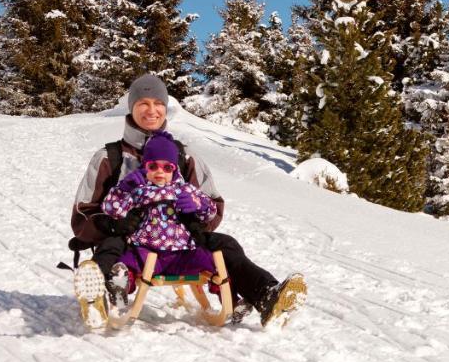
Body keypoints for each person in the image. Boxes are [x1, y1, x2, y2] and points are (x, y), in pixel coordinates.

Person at [71, 73, 305, 325]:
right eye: (143, 104)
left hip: (180, 245)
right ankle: (99, 296)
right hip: (131, 241)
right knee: (113, 246)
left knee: (226, 246)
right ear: (131, 107)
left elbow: (213, 205)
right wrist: (113, 224)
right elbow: (83, 214)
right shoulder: (109, 157)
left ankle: (266, 295)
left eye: (158, 103)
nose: (152, 110)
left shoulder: (186, 156)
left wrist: (197, 214)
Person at [101, 130, 218, 281]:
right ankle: (122, 284)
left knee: (209, 259)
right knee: (127, 261)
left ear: (174, 169)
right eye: (153, 166)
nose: (160, 172)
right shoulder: (139, 189)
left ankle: (221, 287)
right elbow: (111, 209)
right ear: (145, 166)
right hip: (146, 251)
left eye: (167, 167)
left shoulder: (184, 189)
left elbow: (210, 212)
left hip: (182, 252)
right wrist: (123, 189)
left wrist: (198, 204)